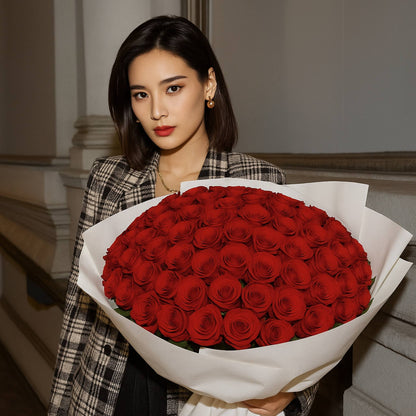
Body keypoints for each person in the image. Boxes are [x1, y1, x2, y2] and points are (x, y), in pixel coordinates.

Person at [48, 15, 318, 416]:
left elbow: (303, 315)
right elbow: (79, 306)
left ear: (208, 85)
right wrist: (58, 405)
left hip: (199, 400)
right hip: (108, 385)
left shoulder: (257, 181)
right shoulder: (108, 179)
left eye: (173, 88)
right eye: (141, 95)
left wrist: (293, 393)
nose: (157, 111)